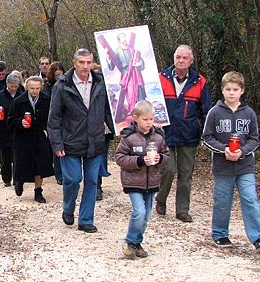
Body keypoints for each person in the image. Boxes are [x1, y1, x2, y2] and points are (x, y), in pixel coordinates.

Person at [202, 71, 260, 253]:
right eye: (228, 89)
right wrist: (223, 149)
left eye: (235, 89)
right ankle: (220, 234)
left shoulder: (249, 113)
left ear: (242, 91)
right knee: (222, 200)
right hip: (222, 166)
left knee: (250, 198)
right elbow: (207, 138)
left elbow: (254, 139)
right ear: (222, 90)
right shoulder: (215, 112)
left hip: (245, 166)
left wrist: (242, 150)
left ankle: (259, 237)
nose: (231, 93)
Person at [48, 48, 114, 233]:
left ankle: (86, 219)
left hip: (95, 140)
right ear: (74, 63)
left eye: (88, 62)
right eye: (81, 62)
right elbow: (54, 118)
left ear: (93, 63)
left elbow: (108, 111)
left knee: (92, 181)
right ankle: (68, 208)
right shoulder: (61, 86)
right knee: (73, 179)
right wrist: (57, 143)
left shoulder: (101, 83)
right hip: (70, 141)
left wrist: (121, 130)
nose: (85, 66)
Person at [155, 45, 212, 222]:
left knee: (186, 174)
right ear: (173, 58)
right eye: (178, 57)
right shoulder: (160, 78)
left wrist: (205, 132)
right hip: (165, 133)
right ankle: (161, 199)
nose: (180, 60)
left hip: (189, 135)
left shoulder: (200, 81)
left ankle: (182, 210)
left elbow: (206, 110)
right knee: (168, 169)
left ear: (191, 61)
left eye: (184, 58)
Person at [115, 100, 169, 259]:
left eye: (151, 119)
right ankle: (130, 241)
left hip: (151, 181)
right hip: (133, 181)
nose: (149, 122)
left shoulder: (158, 136)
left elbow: (167, 155)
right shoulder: (129, 137)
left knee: (146, 216)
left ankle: (137, 242)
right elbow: (119, 158)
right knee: (139, 212)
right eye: (145, 119)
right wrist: (139, 161)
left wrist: (159, 159)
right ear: (136, 118)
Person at [9, 76, 54, 203]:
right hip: (23, 138)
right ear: (26, 88)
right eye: (32, 88)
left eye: (37, 88)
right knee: (22, 163)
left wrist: (47, 129)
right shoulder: (18, 101)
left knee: (40, 164)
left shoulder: (46, 100)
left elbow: (52, 117)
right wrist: (20, 122)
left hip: (39, 136)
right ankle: (19, 181)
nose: (35, 91)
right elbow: (10, 120)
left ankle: (38, 191)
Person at [0, 73, 23, 187]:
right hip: (2, 131)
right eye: (11, 86)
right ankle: (6, 178)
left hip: (17, 131)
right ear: (7, 84)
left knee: (18, 157)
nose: (13, 88)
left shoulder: (22, 95)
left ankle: (18, 180)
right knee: (5, 158)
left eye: (16, 86)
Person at [43, 61, 65, 186]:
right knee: (57, 147)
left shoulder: (66, 84)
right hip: (53, 120)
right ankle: (59, 174)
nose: (59, 77)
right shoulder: (48, 87)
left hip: (66, 120)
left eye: (60, 74)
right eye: (56, 75)